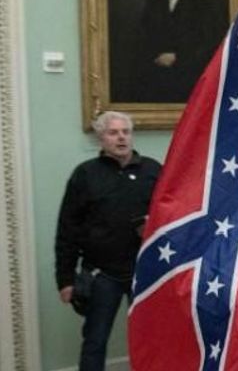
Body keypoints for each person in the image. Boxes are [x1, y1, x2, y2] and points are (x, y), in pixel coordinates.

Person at [55, 111, 161, 371]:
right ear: (102, 138)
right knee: (95, 339)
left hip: (145, 272)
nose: (121, 137)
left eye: (126, 131)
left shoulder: (153, 170)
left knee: (152, 339)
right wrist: (65, 279)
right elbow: (67, 228)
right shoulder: (85, 175)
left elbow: (171, 214)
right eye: (113, 133)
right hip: (103, 275)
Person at [135, 0, 220, 103]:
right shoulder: (153, 0)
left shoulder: (200, 2)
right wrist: (156, 57)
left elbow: (208, 41)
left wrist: (178, 57)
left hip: (187, 75)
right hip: (155, 75)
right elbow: (142, 36)